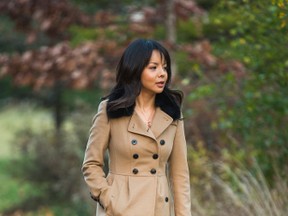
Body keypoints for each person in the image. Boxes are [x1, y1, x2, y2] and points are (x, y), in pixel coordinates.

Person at [82, 39, 191, 216]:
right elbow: (91, 164)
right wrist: (110, 200)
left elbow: (180, 175)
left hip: (159, 209)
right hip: (119, 210)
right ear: (135, 70)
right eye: (153, 67)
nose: (162, 74)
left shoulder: (172, 113)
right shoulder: (110, 110)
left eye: (165, 67)